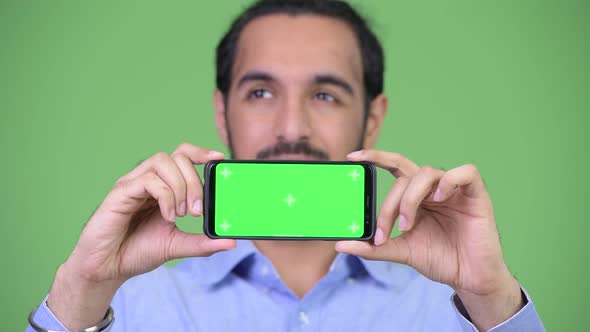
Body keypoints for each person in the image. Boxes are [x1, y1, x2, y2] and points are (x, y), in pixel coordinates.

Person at [26, 0, 545, 331]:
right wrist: (79, 292)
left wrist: (492, 303)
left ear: (372, 119)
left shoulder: (465, 310)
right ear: (221, 114)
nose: (291, 126)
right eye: (260, 91)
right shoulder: (119, 307)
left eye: (324, 93)